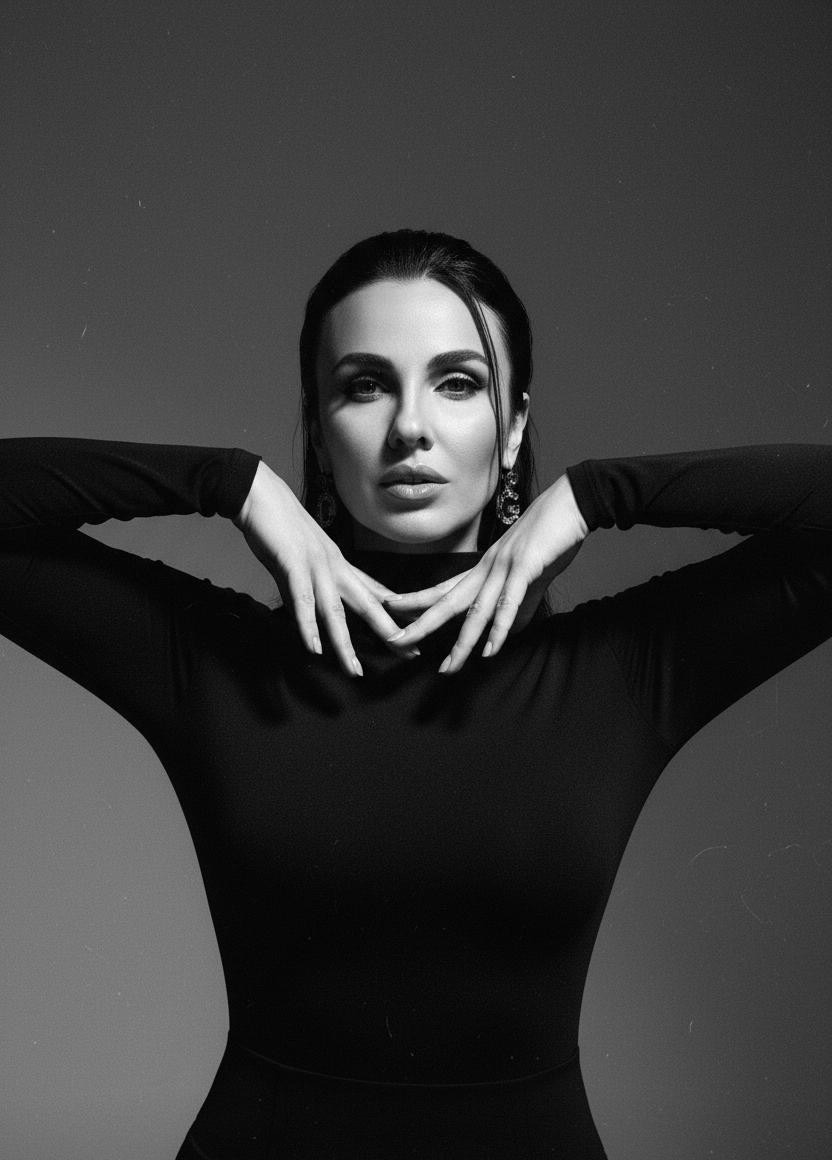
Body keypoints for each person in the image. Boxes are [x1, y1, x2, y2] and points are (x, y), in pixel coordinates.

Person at [1, 229, 830, 1159]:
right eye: (365, 386)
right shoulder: (214, 661)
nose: (410, 428)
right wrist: (228, 483)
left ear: (513, 428)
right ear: (319, 431)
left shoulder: (622, 671)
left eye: (458, 383)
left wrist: (600, 495)